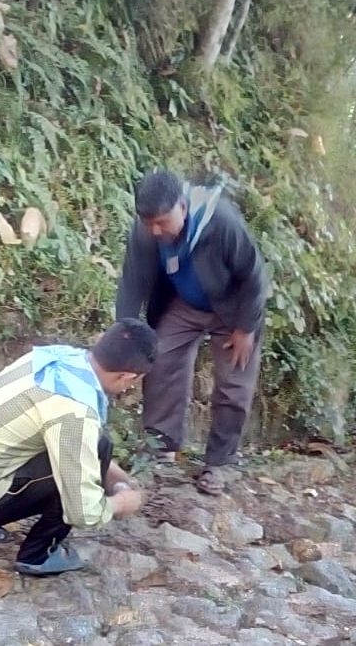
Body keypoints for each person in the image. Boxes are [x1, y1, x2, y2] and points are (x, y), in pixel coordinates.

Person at [0, 319, 156, 576]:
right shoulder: (74, 410)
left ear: (101, 341)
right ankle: (37, 555)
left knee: (96, 446)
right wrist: (121, 503)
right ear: (127, 376)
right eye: (135, 381)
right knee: (85, 467)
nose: (130, 387)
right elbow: (83, 512)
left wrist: (117, 476)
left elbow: (77, 443)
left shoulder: (54, 359)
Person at [115, 170, 267, 495]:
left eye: (163, 222)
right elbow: (132, 284)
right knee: (161, 359)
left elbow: (254, 276)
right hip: (186, 304)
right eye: (149, 223)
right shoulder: (146, 233)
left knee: (234, 384)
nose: (156, 230)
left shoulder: (222, 222)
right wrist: (124, 333)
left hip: (234, 308)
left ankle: (219, 464)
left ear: (182, 207)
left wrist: (245, 328)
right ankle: (161, 447)